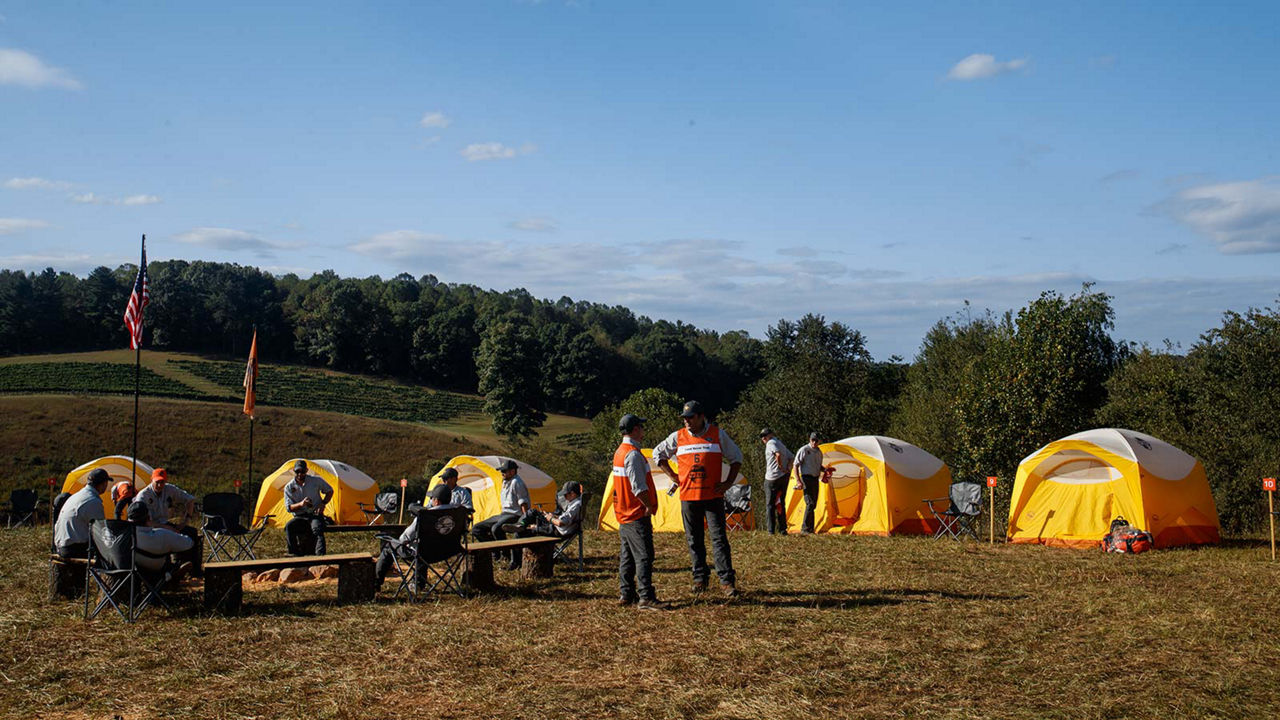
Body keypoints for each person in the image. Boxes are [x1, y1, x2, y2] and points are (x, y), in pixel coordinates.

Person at [653, 400, 743, 597]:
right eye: (684, 418)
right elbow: (657, 454)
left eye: (690, 418)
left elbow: (736, 457)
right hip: (689, 498)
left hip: (713, 497)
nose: (687, 422)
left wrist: (728, 483)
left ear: (702, 417)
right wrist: (673, 476)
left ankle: (726, 581)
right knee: (694, 540)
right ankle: (700, 578)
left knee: (718, 539)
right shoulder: (678, 436)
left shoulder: (717, 434)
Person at [612, 414, 668, 609]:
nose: (643, 431)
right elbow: (638, 487)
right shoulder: (633, 454)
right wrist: (649, 505)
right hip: (636, 513)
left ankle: (626, 593)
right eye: (641, 427)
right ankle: (646, 597)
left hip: (624, 513)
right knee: (644, 555)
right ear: (635, 430)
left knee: (627, 555)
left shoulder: (619, 451)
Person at [375, 484, 456, 589]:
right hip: (448, 551)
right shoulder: (457, 513)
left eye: (432, 498)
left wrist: (399, 541)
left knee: (389, 546)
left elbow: (405, 538)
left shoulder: (426, 515)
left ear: (437, 501)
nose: (430, 501)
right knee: (423, 547)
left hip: (425, 553)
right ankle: (418, 583)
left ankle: (375, 583)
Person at [133, 467, 203, 575]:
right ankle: (171, 569)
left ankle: (193, 570)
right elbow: (147, 522)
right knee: (168, 538)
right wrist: (168, 528)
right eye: (157, 482)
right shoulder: (143, 496)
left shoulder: (169, 489)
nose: (160, 485)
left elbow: (190, 499)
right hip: (149, 529)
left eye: (162, 482)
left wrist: (186, 520)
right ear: (152, 480)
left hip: (165, 523)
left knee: (191, 533)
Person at [470, 459, 530, 570]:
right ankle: (494, 551)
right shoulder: (505, 481)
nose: (502, 473)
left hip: (514, 514)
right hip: (503, 513)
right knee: (476, 528)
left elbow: (523, 502)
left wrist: (525, 520)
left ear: (512, 471)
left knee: (496, 528)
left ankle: (504, 555)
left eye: (504, 471)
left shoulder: (517, 482)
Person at [125, 502, 194, 583]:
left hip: (134, 570)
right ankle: (171, 574)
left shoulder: (124, 537)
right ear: (148, 518)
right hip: (157, 569)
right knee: (166, 560)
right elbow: (189, 543)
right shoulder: (162, 534)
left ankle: (171, 573)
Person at [53, 468, 109, 559]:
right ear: (103, 484)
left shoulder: (76, 496)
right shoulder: (93, 501)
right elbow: (101, 531)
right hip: (74, 549)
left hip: (60, 546)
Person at [283, 459, 334, 556]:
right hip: (300, 516)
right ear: (294, 471)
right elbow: (289, 508)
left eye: (302, 471)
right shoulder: (289, 487)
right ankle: (294, 553)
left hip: (314, 514)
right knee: (289, 526)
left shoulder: (316, 481)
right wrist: (301, 504)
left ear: (306, 471)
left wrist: (323, 503)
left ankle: (320, 556)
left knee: (317, 529)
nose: (300, 474)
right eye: (297, 471)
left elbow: (330, 491)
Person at [792, 432, 829, 534]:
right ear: (810, 440)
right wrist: (798, 480)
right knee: (810, 503)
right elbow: (795, 465)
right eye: (813, 440)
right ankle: (805, 528)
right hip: (806, 478)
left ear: (819, 441)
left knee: (814, 504)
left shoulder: (819, 452)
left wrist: (825, 470)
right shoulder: (804, 450)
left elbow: (818, 466)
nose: (814, 442)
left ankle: (810, 528)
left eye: (816, 440)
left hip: (815, 478)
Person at [759, 428, 793, 535]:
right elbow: (792, 457)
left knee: (770, 505)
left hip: (772, 478)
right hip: (783, 477)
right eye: (762, 436)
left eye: (765, 435)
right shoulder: (780, 443)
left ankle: (771, 531)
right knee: (781, 503)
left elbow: (777, 454)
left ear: (771, 435)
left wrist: (780, 467)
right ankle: (783, 529)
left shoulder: (771, 443)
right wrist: (787, 469)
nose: (763, 438)